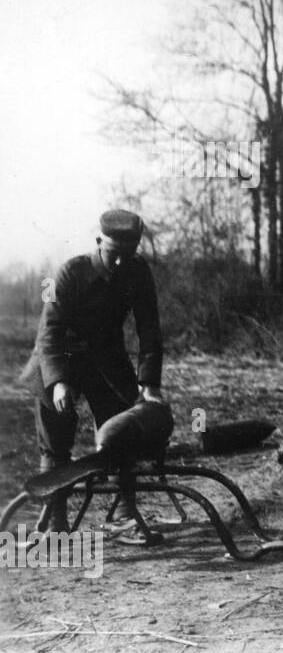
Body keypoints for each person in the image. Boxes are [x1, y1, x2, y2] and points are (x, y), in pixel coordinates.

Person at [21, 209, 164, 532]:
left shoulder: (138, 271)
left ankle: (126, 514)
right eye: (113, 254)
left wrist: (149, 383)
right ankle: (56, 520)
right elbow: (49, 331)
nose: (118, 264)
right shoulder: (70, 272)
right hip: (58, 356)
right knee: (56, 438)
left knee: (121, 429)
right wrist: (58, 382)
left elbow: (150, 329)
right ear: (99, 242)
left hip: (106, 360)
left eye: (127, 256)